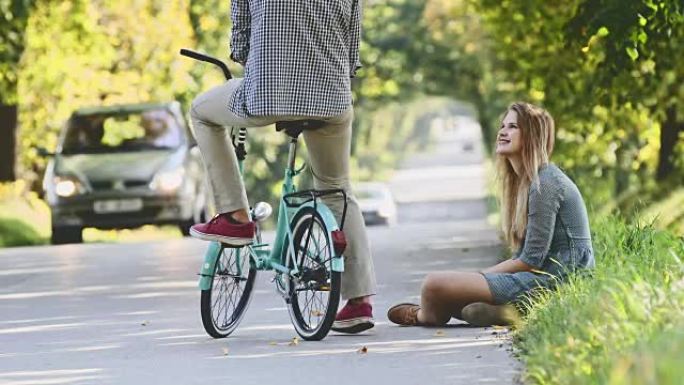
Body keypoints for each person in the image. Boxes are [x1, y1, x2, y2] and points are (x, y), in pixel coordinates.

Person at [188, 0, 377, 334]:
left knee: (201, 112)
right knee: (337, 188)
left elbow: (241, 42)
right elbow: (353, 51)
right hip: (332, 99)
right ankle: (359, 301)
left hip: (268, 96)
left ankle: (234, 215)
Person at [387, 102, 595, 327]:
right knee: (461, 302)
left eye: (513, 126)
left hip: (560, 280)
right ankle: (510, 311)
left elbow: (530, 260)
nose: (503, 131)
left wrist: (480, 276)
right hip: (542, 276)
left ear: (532, 136)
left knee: (432, 285)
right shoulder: (527, 183)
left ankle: (421, 316)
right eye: (503, 126)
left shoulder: (545, 183)